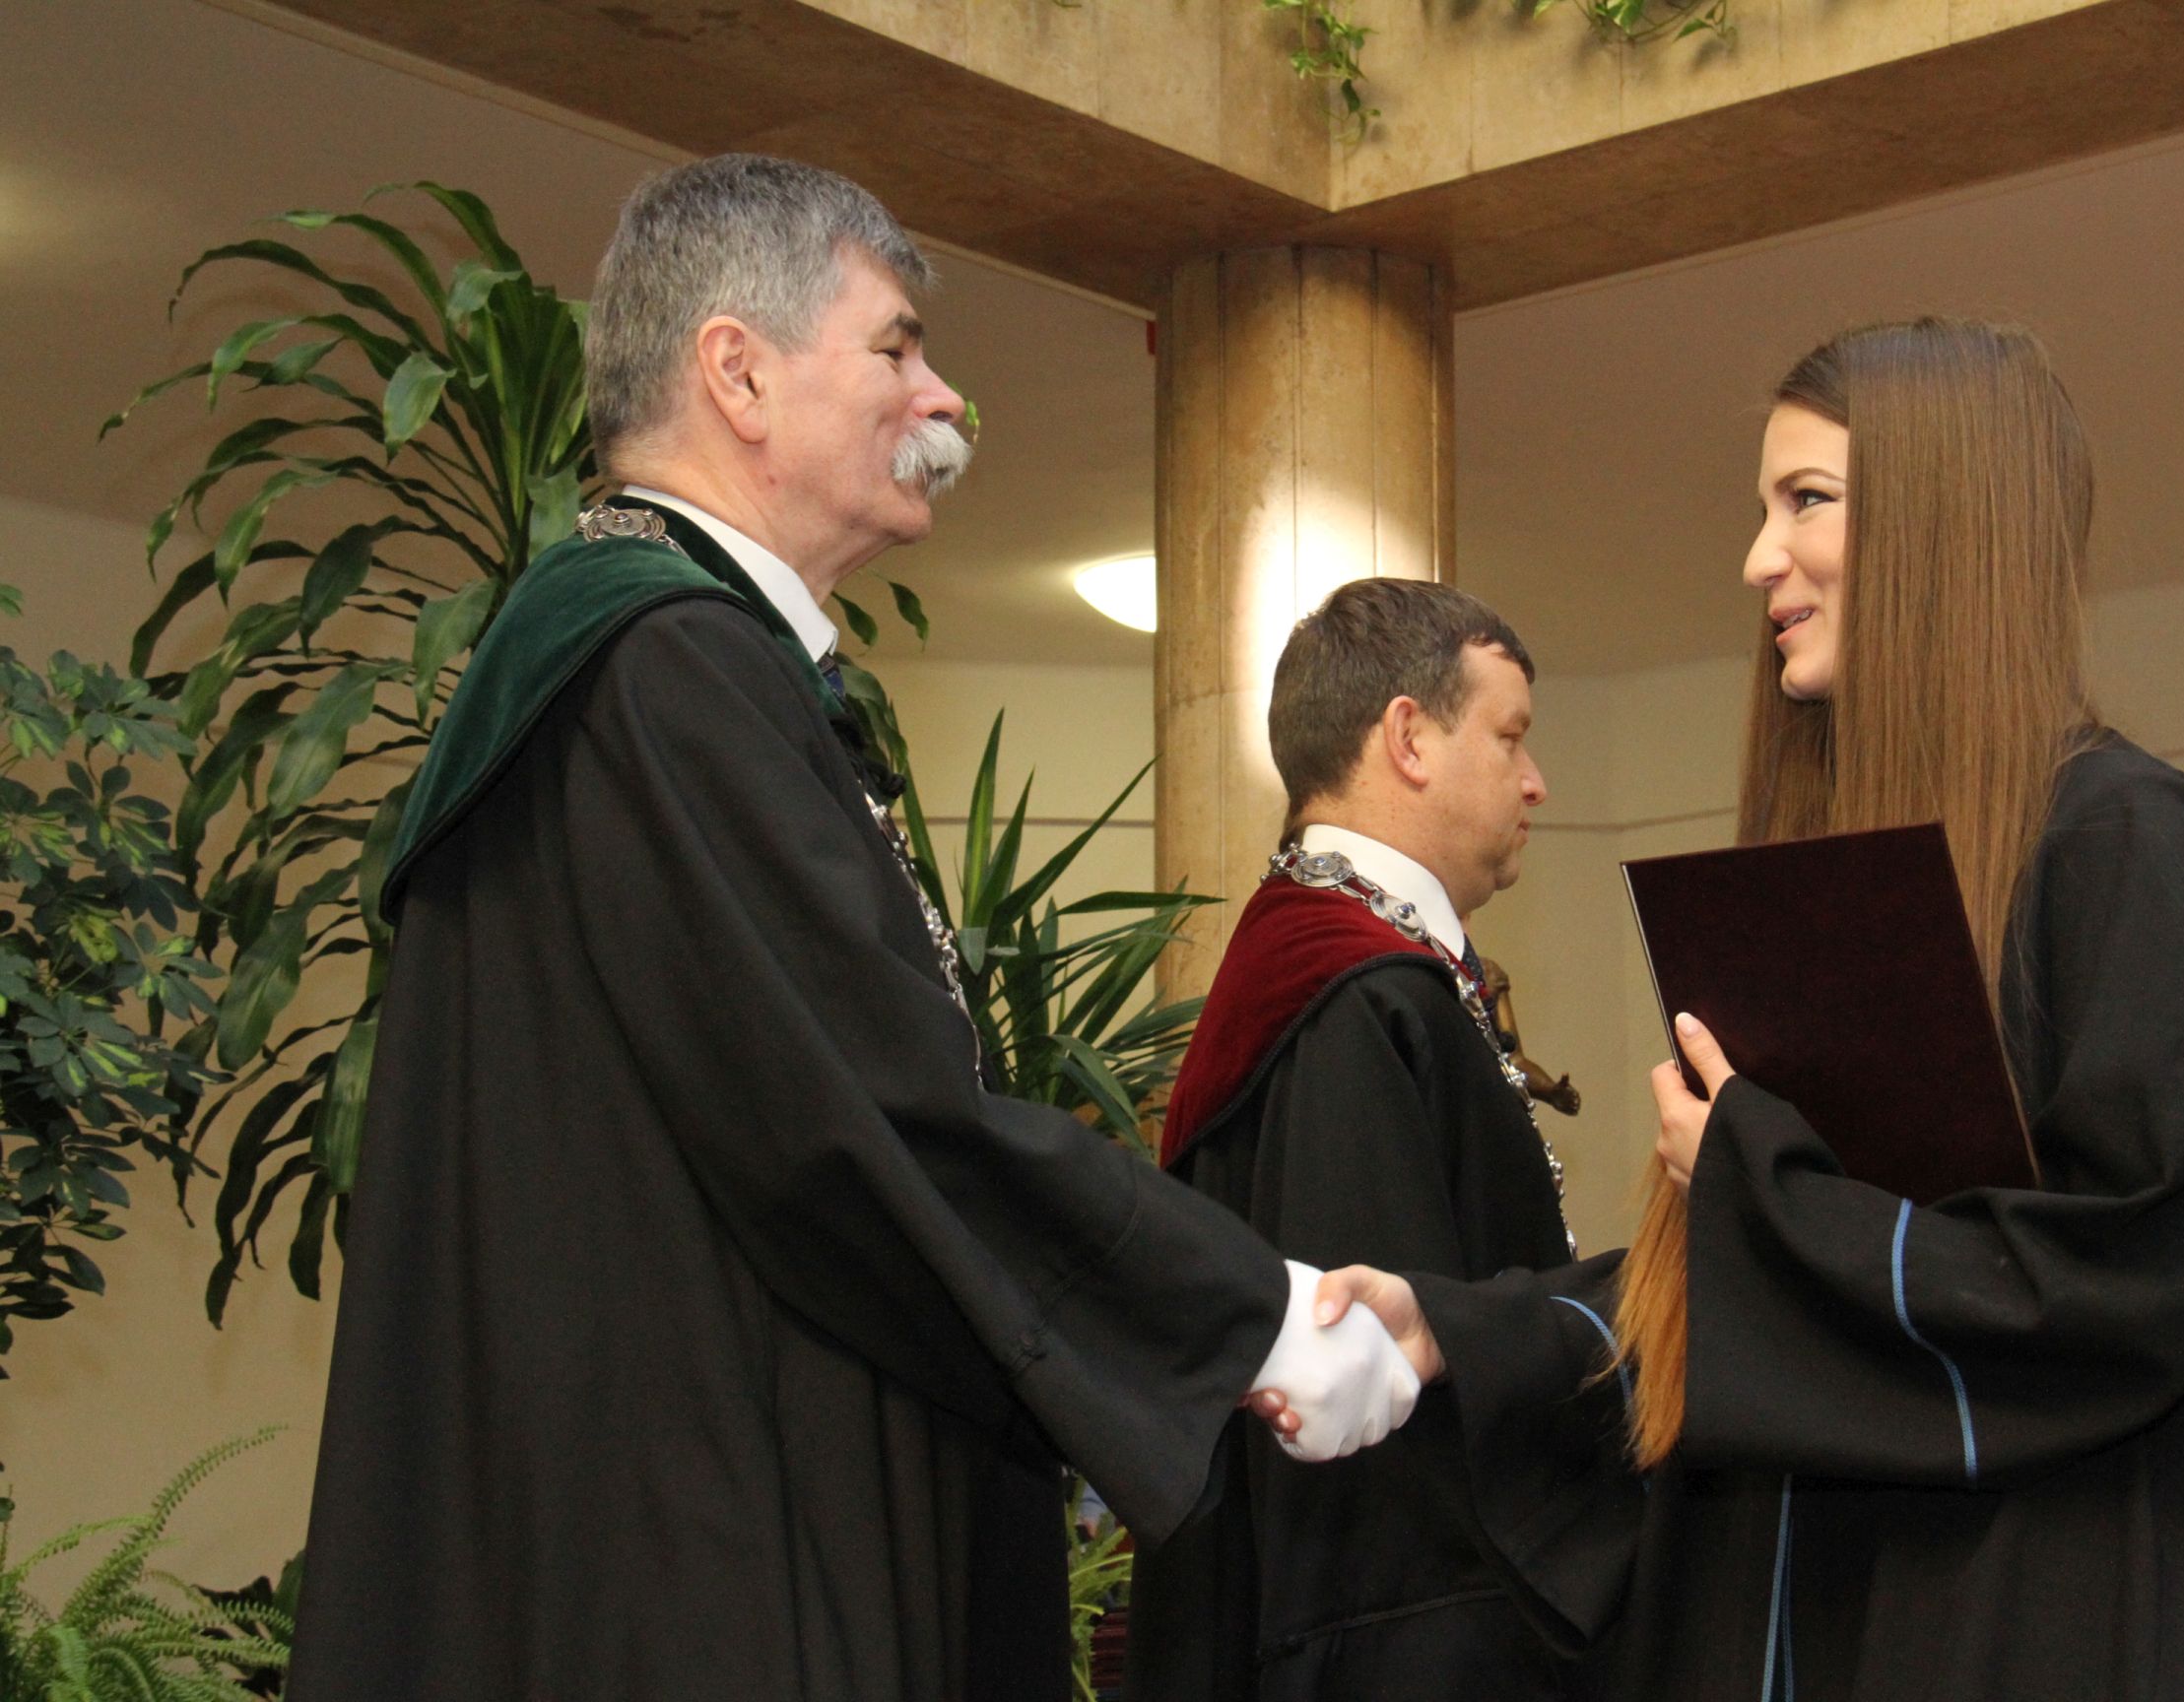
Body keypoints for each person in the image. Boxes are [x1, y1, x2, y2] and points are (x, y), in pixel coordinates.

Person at [287, 154, 1421, 1702]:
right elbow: (866, 1117)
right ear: (739, 373)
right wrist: (1260, 1322)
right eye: (895, 347)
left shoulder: (644, 661)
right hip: (702, 1557)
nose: (943, 401)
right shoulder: (665, 669)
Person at [1313, 317, 2184, 1702]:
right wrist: (1463, 1328)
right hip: (1825, 1607)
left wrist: (1758, 1175)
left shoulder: (2126, 842)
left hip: (2013, 1619)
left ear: (1942, 522)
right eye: (1764, 508)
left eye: (1807, 499)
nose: (1759, 558)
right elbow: (1798, 1278)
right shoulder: (1858, 876)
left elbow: (2144, 1273)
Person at [1127, 579, 1632, 1701]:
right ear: (1408, 737)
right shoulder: (1357, 995)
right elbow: (1376, 1447)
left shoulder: (1333, 970)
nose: (1536, 781)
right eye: (1510, 737)